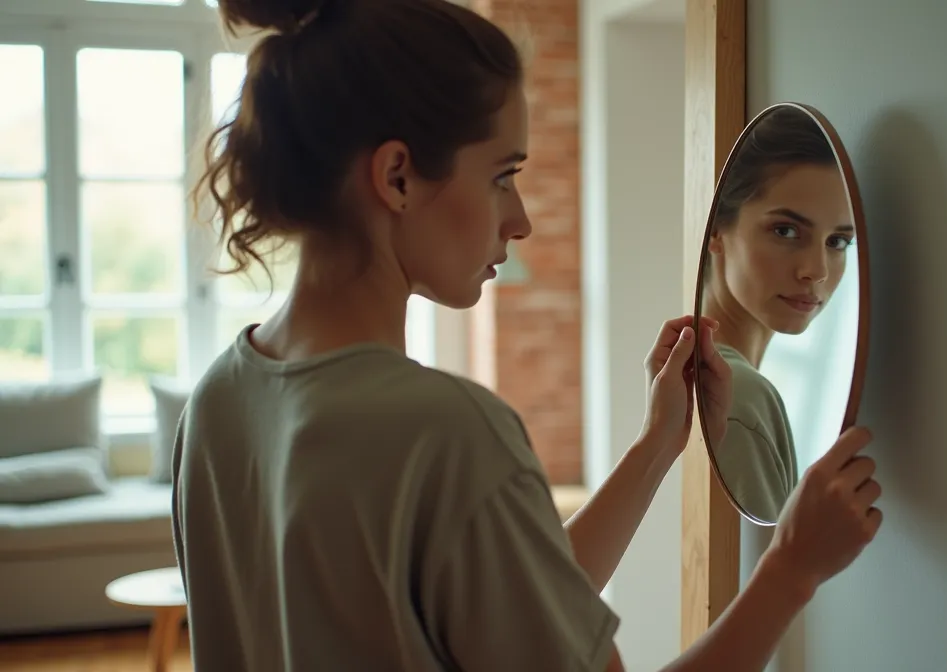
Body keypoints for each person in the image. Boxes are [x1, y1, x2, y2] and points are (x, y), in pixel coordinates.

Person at [171, 0, 883, 670]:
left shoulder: (219, 402)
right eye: (503, 176)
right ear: (396, 177)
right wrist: (792, 567)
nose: (520, 219)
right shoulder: (446, 432)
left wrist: (656, 447)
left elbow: (506, 607)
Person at [698, 106, 857, 522]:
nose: (817, 271)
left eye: (838, 241)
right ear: (716, 228)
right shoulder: (738, 395)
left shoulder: (691, 364)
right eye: (786, 231)